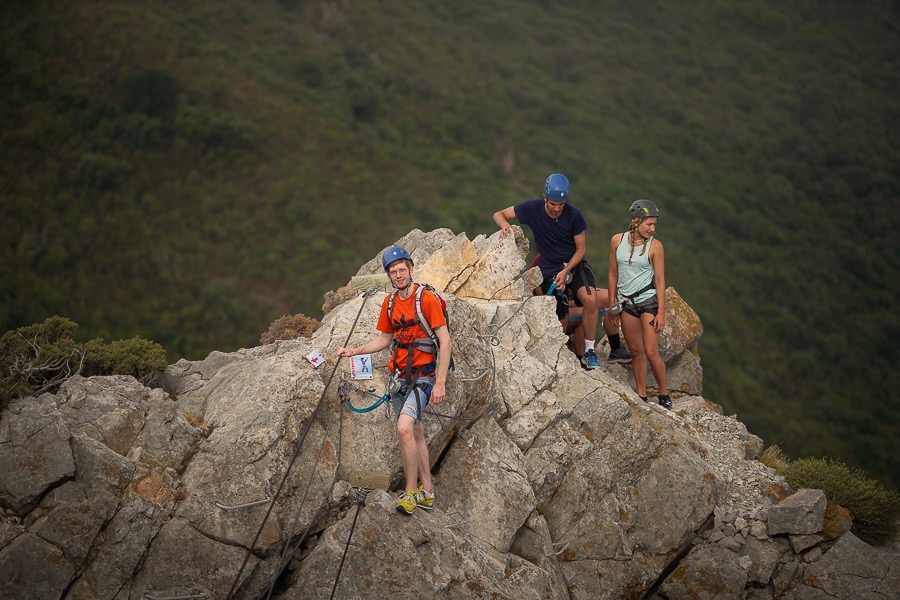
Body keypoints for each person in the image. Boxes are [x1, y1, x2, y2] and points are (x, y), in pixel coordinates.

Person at [337, 246, 452, 514]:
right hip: (399, 376)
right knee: (415, 431)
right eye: (393, 271)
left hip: (423, 378)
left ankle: (410, 493)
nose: (398, 275)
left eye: (402, 269)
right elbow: (384, 340)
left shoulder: (427, 300)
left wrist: (440, 382)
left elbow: (445, 342)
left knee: (403, 429)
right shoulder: (389, 304)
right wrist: (354, 350)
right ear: (389, 275)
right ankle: (428, 492)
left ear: (411, 269)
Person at [496, 173, 629, 369]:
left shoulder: (574, 215)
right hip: (549, 266)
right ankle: (559, 355)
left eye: (561, 204)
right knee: (560, 313)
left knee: (590, 299)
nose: (557, 208)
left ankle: (590, 351)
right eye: (553, 204)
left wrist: (566, 269)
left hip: (574, 265)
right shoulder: (531, 208)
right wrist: (505, 225)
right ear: (545, 198)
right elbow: (499, 214)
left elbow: (581, 248)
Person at [606, 199, 670, 409]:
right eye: (648, 224)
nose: (652, 229)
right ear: (636, 221)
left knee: (651, 352)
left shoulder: (656, 246)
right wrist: (612, 303)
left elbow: (660, 280)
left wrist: (661, 312)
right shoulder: (617, 240)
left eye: (654, 225)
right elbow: (613, 273)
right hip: (627, 302)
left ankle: (663, 393)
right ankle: (641, 395)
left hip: (648, 300)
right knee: (635, 351)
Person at [530, 254, 632, 366]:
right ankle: (581, 358)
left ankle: (616, 348)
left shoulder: (576, 258)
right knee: (586, 312)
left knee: (609, 298)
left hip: (574, 299)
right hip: (557, 311)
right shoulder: (542, 260)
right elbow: (540, 296)